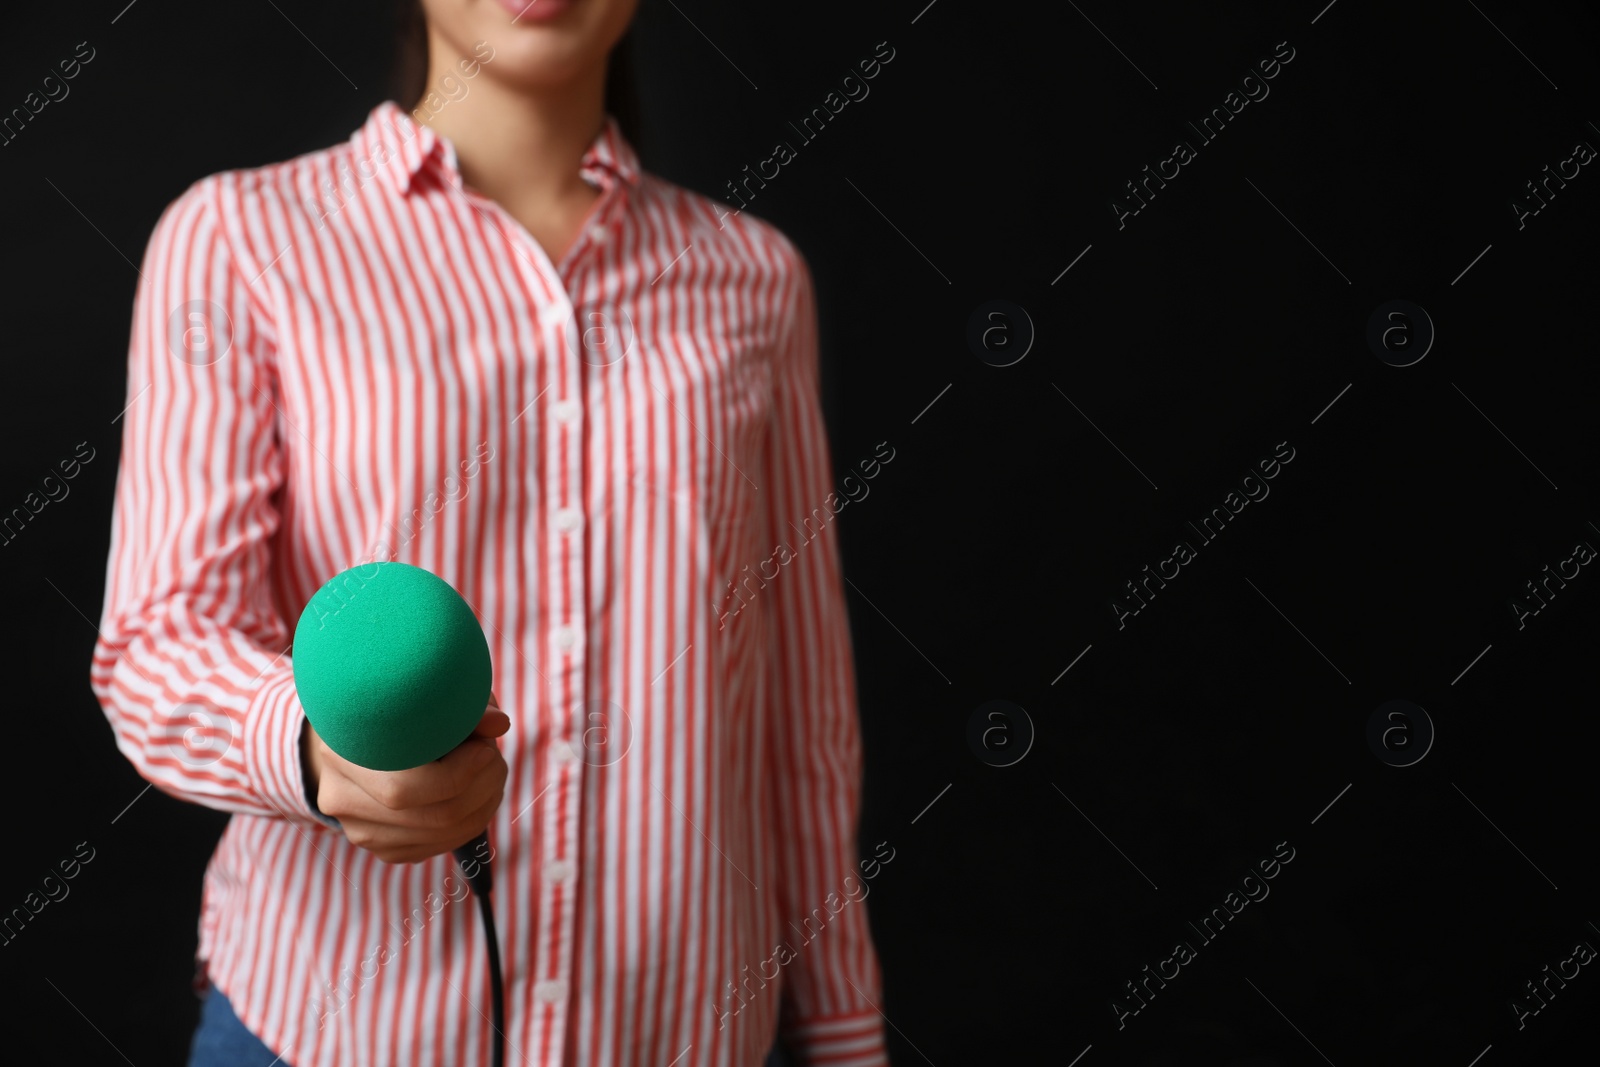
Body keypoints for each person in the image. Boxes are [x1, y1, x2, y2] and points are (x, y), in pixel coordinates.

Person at [89, 1, 888, 1064]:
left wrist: (844, 1036)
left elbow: (801, 718)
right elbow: (157, 641)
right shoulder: (239, 241)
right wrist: (313, 750)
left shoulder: (755, 281)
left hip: (680, 1032)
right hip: (324, 1030)